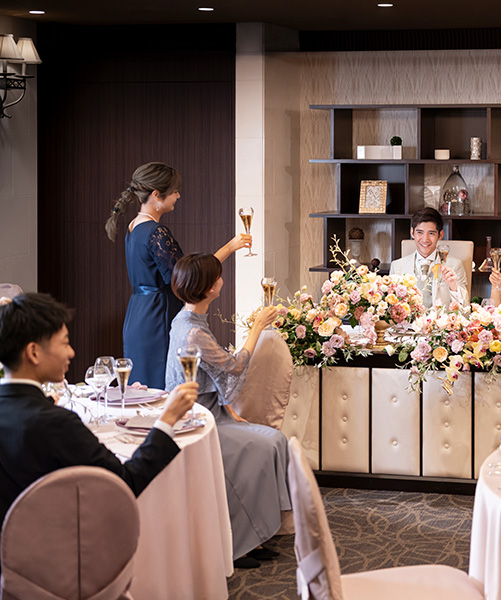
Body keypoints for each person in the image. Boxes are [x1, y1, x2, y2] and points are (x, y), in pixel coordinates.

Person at [0, 293, 197, 533]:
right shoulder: (55, 423)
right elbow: (124, 483)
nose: (71, 353)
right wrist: (167, 420)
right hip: (56, 546)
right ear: (34, 352)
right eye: (64, 343)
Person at [165, 253, 291, 569]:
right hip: (199, 420)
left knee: (274, 441)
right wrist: (257, 326)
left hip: (212, 412)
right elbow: (233, 367)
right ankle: (239, 543)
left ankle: (258, 533)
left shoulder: (186, 318)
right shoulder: (193, 332)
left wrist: (229, 410)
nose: (222, 280)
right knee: (264, 445)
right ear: (209, 288)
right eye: (218, 276)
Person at [105, 161, 252, 389]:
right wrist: (230, 247)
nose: (178, 196)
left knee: (143, 390)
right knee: (160, 390)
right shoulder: (156, 232)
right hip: (158, 315)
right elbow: (190, 278)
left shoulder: (134, 226)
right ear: (156, 194)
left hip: (138, 314)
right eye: (174, 191)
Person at [389, 207, 468, 308]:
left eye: (431, 233)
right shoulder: (397, 266)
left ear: (440, 235)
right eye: (420, 232)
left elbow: (465, 308)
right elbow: (392, 307)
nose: (425, 239)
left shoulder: (455, 265)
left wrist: (454, 286)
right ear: (412, 233)